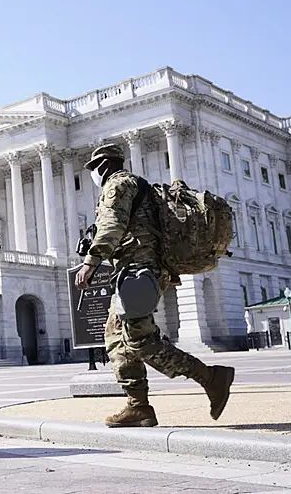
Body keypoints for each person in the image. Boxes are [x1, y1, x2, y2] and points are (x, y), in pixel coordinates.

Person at [74, 144, 235, 427]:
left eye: (93, 170)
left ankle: (211, 377)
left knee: (140, 340)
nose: (93, 176)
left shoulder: (118, 184)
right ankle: (138, 406)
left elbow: (112, 225)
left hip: (139, 271)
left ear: (102, 166)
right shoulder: (133, 186)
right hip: (133, 271)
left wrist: (91, 261)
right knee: (116, 337)